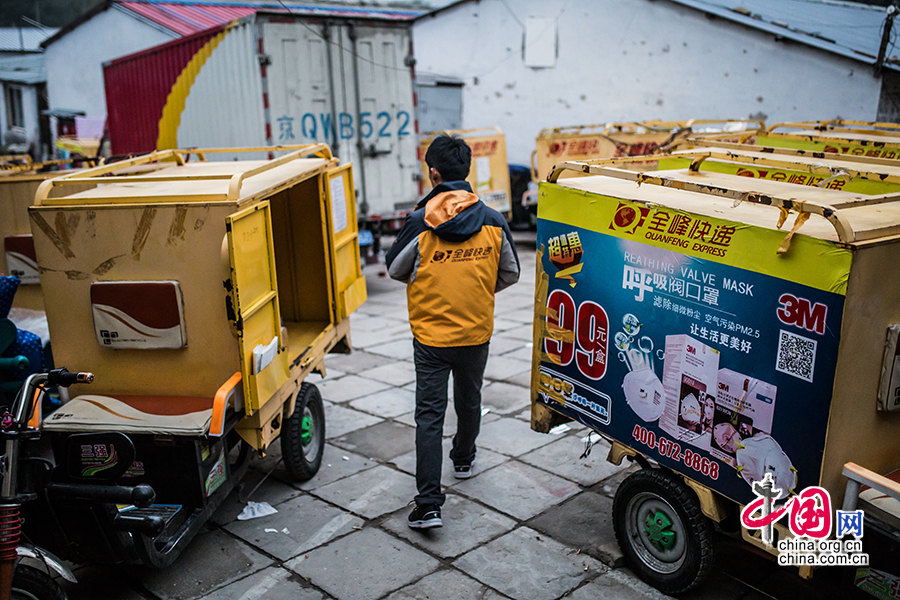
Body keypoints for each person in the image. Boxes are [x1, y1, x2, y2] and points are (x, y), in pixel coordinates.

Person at [385, 134, 520, 529]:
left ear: (433, 174)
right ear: (467, 171)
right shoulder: (493, 220)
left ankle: (428, 505)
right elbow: (510, 272)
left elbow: (395, 270)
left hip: (430, 338)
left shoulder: (420, 221)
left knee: (429, 416)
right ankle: (463, 459)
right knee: (469, 400)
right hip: (476, 332)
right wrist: (475, 288)